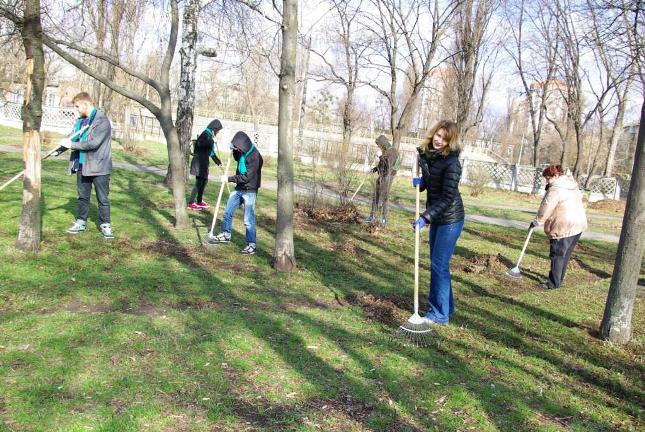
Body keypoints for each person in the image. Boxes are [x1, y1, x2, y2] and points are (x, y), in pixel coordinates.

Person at [411, 120, 464, 325]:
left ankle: (439, 314)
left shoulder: (452, 163)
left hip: (450, 219)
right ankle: (447, 307)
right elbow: (431, 182)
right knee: (439, 265)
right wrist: (421, 182)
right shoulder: (430, 156)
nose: (439, 141)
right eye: (438, 135)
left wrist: (425, 217)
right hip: (437, 217)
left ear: (450, 142)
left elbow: (447, 197)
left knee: (439, 266)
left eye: (445, 139)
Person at [56, 92, 114, 239]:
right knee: (83, 197)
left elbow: (93, 143)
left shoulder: (101, 121)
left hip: (99, 166)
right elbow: (73, 137)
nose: (76, 110)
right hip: (82, 165)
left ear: (85, 104)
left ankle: (105, 225)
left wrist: (71, 145)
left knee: (103, 198)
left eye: (77, 107)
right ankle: (81, 222)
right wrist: (59, 149)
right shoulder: (80, 121)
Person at [530, 165, 587, 289]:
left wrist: (537, 221)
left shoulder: (556, 189)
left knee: (557, 255)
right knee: (564, 255)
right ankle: (558, 280)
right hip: (578, 225)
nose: (547, 181)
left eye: (548, 178)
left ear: (556, 175)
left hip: (563, 226)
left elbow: (546, 207)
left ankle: (553, 284)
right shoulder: (571, 184)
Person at [209, 131, 263, 255]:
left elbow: (246, 177)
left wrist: (228, 179)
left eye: (238, 147)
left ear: (243, 145)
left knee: (248, 219)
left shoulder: (255, 157)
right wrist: (233, 149)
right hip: (239, 188)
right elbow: (236, 158)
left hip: (250, 190)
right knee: (227, 212)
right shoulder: (242, 151)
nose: (237, 149)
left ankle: (251, 244)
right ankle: (225, 234)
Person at [187, 119, 223, 210]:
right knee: (199, 182)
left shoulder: (209, 136)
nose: (218, 133)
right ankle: (191, 203)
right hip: (198, 162)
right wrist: (212, 141)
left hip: (204, 163)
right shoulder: (205, 134)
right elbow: (199, 143)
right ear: (214, 129)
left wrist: (219, 163)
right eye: (218, 131)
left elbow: (211, 153)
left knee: (204, 181)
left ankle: (199, 201)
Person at [364, 135, 398, 225]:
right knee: (376, 196)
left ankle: (384, 219)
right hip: (381, 176)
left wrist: (380, 156)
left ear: (383, 143)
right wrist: (374, 169)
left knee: (384, 198)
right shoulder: (385, 152)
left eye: (379, 145)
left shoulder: (392, 151)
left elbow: (388, 165)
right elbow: (381, 165)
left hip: (387, 178)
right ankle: (372, 216)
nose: (379, 147)